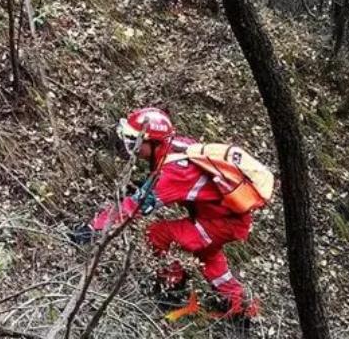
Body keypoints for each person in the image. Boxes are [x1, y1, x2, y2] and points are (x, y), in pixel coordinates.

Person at [70, 107, 261, 323]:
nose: (131, 147)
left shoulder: (173, 171)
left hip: (220, 223)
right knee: (209, 257)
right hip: (220, 218)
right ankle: (243, 308)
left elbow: (135, 206)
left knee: (158, 234)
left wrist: (95, 227)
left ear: (154, 142)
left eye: (136, 141)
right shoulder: (177, 146)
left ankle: (171, 287)